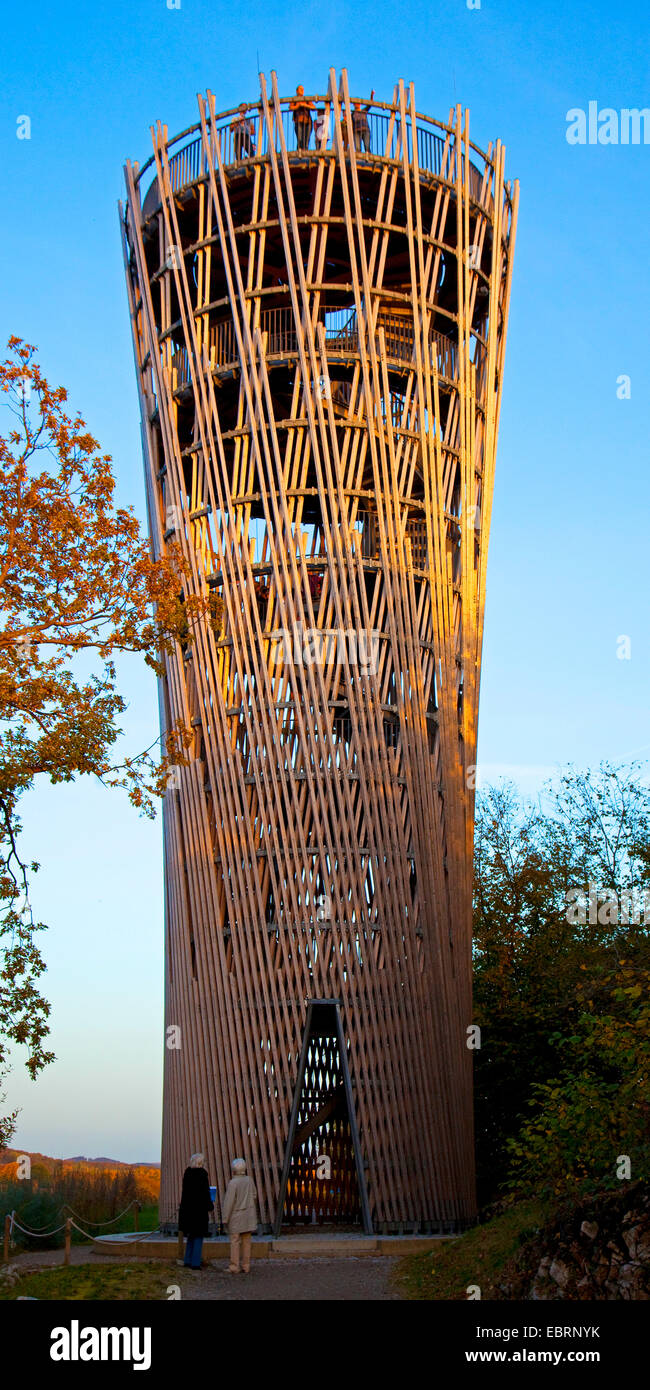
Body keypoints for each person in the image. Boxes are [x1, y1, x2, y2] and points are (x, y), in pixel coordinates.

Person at [178, 1152, 214, 1270]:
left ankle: (187, 1260)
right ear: (201, 1163)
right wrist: (210, 1206)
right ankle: (195, 1263)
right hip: (199, 1212)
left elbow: (185, 1194)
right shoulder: (202, 1175)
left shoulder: (187, 1174)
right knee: (198, 1236)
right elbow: (205, 1193)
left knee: (190, 1236)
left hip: (187, 1211)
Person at [222, 1157, 258, 1274]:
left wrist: (225, 1218)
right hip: (248, 1215)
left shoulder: (233, 1183)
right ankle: (246, 1266)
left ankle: (234, 1266)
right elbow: (254, 1195)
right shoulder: (249, 1180)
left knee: (235, 1241)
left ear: (233, 1169)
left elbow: (229, 1202)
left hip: (236, 1216)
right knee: (247, 1241)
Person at [290, 85, 315, 151]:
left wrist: (305, 105)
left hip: (308, 121)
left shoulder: (306, 99)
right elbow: (290, 108)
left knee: (306, 139)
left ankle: (305, 152)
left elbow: (313, 107)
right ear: (297, 91)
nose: (302, 91)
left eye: (303, 89)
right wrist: (298, 106)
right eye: (300, 89)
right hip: (298, 121)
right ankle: (299, 152)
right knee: (300, 139)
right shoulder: (294, 99)